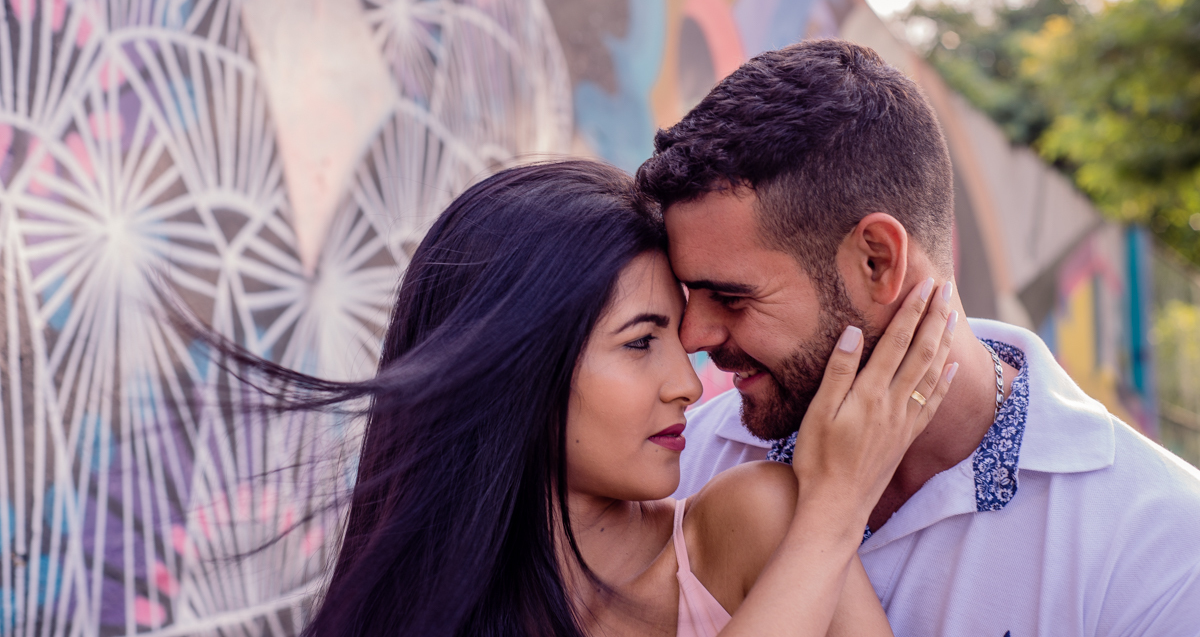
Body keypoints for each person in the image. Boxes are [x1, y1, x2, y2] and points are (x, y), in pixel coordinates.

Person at [208, 159, 958, 636]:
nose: (689, 385)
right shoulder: (415, 605)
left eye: (679, 343)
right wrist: (832, 519)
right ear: (519, 364)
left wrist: (826, 519)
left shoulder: (757, 524)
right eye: (640, 342)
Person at [636, 38, 1200, 636]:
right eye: (688, 295)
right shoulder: (684, 462)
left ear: (878, 261)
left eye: (731, 297)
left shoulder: (1158, 540)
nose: (693, 335)